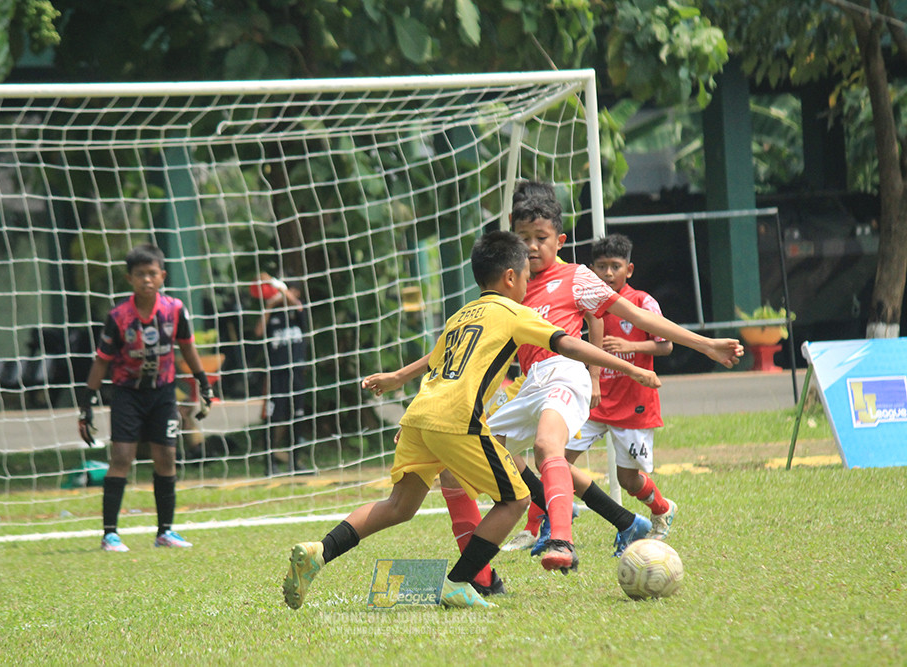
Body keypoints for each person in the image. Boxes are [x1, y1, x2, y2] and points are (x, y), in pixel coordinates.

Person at [365, 181, 742, 579]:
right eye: (523, 238)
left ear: (559, 239)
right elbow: (454, 346)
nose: (531, 246)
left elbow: (640, 317)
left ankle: (560, 538)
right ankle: (479, 575)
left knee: (549, 447)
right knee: (456, 466)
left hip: (564, 373)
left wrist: (705, 345)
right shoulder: (511, 284)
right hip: (529, 384)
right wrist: (404, 383)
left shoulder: (576, 278)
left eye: (540, 238)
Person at [283, 230, 661, 610]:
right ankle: (460, 582)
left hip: (419, 416)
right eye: (526, 278)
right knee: (515, 499)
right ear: (510, 278)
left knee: (399, 506)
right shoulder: (516, 313)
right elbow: (569, 344)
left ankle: (319, 551)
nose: (529, 285)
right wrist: (630, 370)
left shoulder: (461, 314)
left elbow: (436, 362)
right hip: (457, 420)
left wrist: (399, 380)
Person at [77, 243, 213, 552]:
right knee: (121, 456)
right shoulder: (119, 317)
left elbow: (187, 347)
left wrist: (203, 383)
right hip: (127, 394)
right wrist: (86, 404)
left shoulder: (175, 310)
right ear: (130, 279)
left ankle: (165, 531)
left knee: (166, 457)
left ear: (162, 275)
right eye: (140, 274)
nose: (146, 280)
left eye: (152, 274)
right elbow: (102, 360)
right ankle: (109, 534)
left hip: (163, 394)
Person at [566, 233, 676, 539]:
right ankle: (553, 516)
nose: (608, 273)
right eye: (602, 266)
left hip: (633, 404)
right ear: (592, 269)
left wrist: (631, 345)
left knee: (627, 480)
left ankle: (662, 509)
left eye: (615, 266)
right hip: (595, 401)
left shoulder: (642, 302)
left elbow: (665, 346)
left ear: (628, 269)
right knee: (557, 460)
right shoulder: (587, 303)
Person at [253, 275, 310, 476]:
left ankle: (295, 463)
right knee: (273, 418)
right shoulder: (273, 315)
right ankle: (270, 465)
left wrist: (281, 288)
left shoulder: (298, 313)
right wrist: (269, 306)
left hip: (297, 375)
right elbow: (258, 331)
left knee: (297, 418)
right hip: (276, 376)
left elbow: (299, 307)